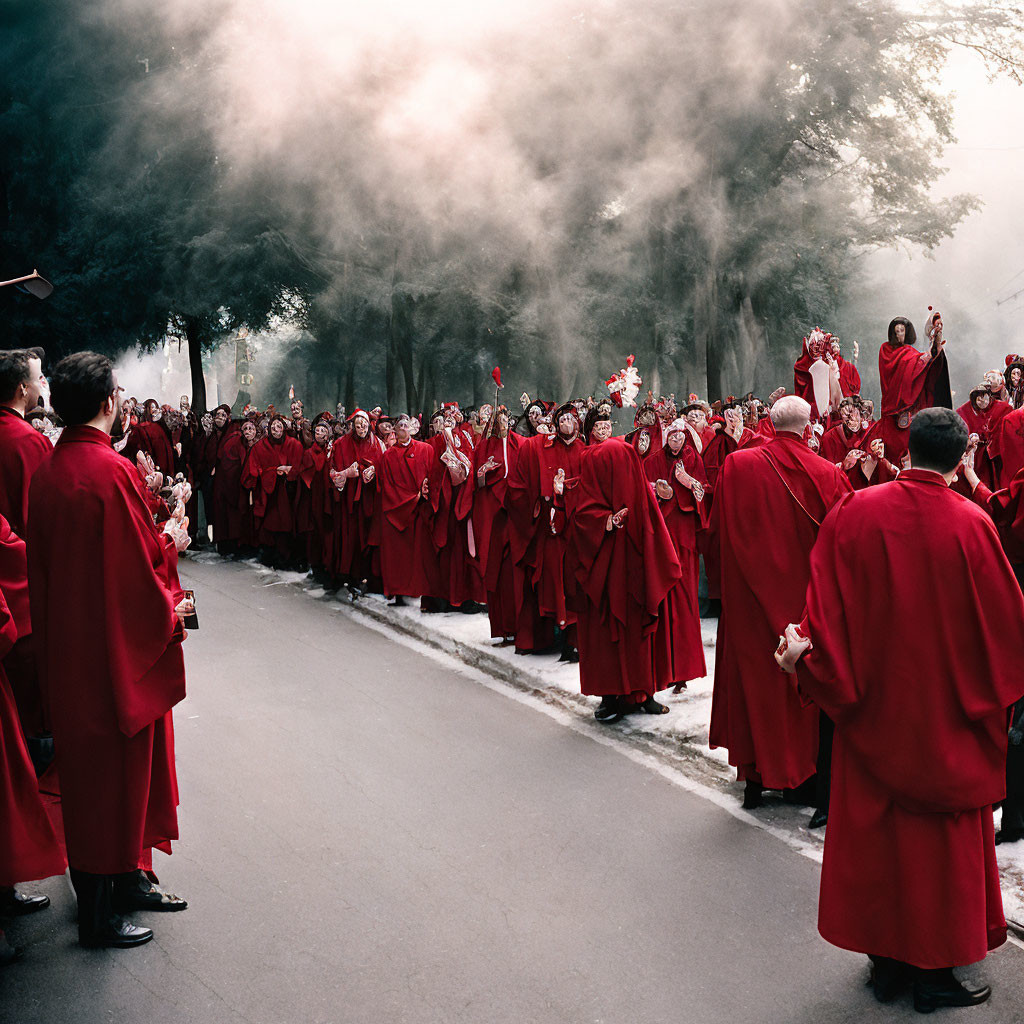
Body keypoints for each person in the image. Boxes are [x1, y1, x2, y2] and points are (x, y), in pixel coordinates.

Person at [778, 407, 1024, 1011]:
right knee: (935, 848)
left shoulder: (853, 512)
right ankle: (933, 973)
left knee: (879, 839)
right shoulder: (972, 525)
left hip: (872, 711)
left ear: (905, 448)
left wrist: (809, 665)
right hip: (945, 718)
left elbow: (824, 614)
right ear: (961, 456)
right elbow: (1007, 631)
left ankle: (885, 962)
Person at [27, 352, 193, 949]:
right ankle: (101, 918)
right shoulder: (110, 473)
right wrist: (170, 540)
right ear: (107, 403)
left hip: (67, 652)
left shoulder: (50, 473)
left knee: (90, 782)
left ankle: (117, 887)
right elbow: (133, 571)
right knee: (115, 782)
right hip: (112, 653)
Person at [709, 396, 850, 813]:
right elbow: (845, 541)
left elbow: (715, 534)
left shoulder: (737, 466)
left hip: (748, 605)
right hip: (801, 606)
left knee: (754, 683)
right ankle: (798, 778)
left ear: (769, 424)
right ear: (808, 427)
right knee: (794, 688)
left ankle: (754, 779)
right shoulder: (826, 474)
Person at [569, 425, 682, 721]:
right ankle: (611, 695)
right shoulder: (593, 478)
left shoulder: (640, 495)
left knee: (640, 632)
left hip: (635, 571)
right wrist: (605, 522)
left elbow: (654, 529)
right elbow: (582, 518)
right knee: (609, 634)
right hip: (607, 572)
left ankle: (645, 692)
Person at [643, 418, 708, 692]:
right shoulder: (653, 460)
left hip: (684, 538)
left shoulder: (693, 458)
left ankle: (684, 670)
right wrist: (659, 494)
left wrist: (687, 481)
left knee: (684, 602)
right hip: (661, 537)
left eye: (680, 438)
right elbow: (642, 489)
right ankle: (660, 669)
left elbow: (704, 493)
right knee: (661, 599)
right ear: (666, 437)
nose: (676, 442)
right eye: (672, 438)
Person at [875, 312, 951, 466]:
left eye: (902, 331)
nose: (899, 335)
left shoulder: (910, 352)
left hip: (908, 409)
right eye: (896, 331)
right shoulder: (885, 349)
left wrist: (934, 348)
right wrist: (927, 357)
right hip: (892, 408)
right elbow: (909, 366)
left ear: (907, 332)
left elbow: (921, 366)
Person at [377, 414, 438, 604]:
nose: (403, 428)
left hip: (422, 511)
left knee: (422, 554)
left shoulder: (426, 450)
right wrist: (412, 498)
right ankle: (400, 593)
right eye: (399, 425)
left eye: (406, 425)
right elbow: (386, 486)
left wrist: (426, 491)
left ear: (412, 428)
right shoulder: (388, 456)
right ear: (394, 431)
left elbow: (434, 476)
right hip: (398, 511)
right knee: (399, 556)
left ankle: (423, 593)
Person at [329, 409, 383, 593]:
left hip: (369, 498)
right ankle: (344, 574)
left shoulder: (377, 444)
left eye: (365, 425)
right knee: (347, 536)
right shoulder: (341, 443)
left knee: (366, 537)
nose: (361, 428)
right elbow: (332, 472)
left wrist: (374, 471)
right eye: (358, 425)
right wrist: (346, 474)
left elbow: (383, 465)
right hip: (347, 499)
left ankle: (364, 576)